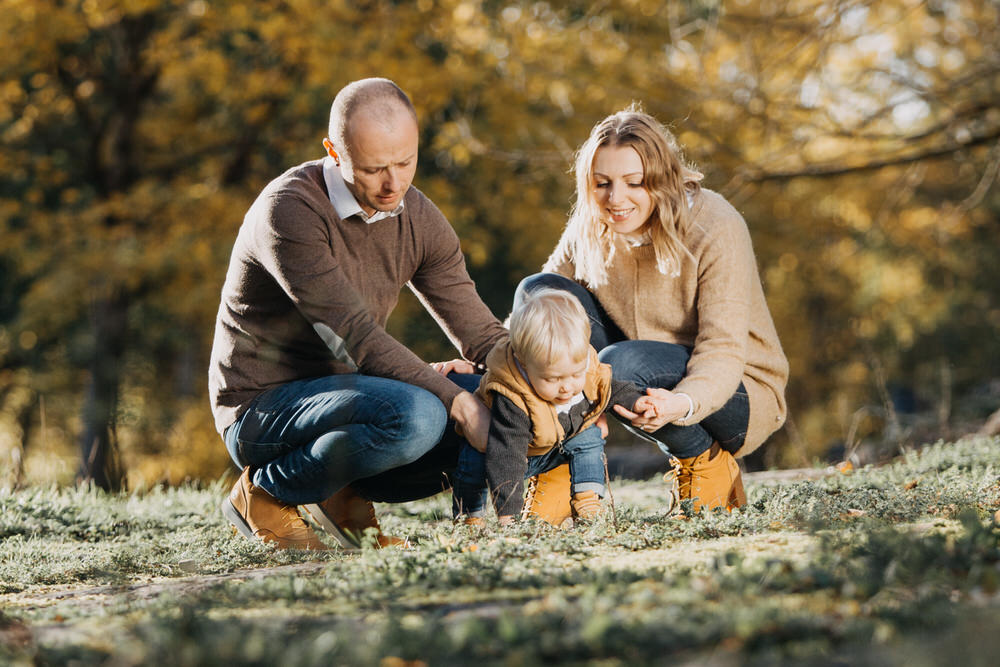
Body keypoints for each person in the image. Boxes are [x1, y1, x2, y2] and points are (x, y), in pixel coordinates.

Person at [209, 78, 508, 550]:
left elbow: (482, 334)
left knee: (508, 402)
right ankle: (266, 492)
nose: (393, 184)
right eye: (373, 169)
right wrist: (456, 400)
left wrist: (559, 381)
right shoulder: (289, 211)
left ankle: (338, 494)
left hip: (353, 398)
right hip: (261, 410)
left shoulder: (419, 217)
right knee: (420, 415)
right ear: (333, 151)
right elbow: (356, 338)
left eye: (405, 162)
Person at [519, 105, 789, 516]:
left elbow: (722, 349)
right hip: (635, 367)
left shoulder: (715, 224)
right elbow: (540, 317)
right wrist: (490, 362)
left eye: (634, 182)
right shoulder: (592, 225)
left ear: (661, 181)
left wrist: (680, 405)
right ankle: (559, 460)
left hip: (736, 389)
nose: (615, 198)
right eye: (602, 183)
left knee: (619, 366)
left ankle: (707, 462)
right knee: (539, 293)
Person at [451, 288, 671, 526]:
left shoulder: (582, 367)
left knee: (589, 435)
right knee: (473, 464)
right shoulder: (513, 397)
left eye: (575, 374)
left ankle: (587, 500)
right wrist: (508, 517)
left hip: (556, 445)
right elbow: (507, 457)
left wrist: (637, 400)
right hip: (509, 454)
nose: (567, 387)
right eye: (553, 379)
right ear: (524, 364)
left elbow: (609, 388)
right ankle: (469, 515)